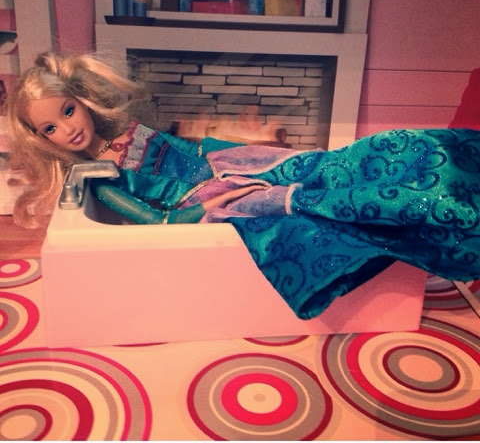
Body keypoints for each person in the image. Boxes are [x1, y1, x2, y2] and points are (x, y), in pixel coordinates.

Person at [6, 51, 480, 319]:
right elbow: (159, 220)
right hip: (206, 200)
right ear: (41, 140)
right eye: (50, 128)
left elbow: (185, 150)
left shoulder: (124, 132)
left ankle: (448, 165)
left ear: (83, 100)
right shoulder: (101, 176)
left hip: (225, 163)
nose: (67, 129)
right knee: (310, 204)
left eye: (67, 111)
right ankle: (427, 214)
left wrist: (241, 153)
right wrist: (220, 200)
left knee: (330, 163)